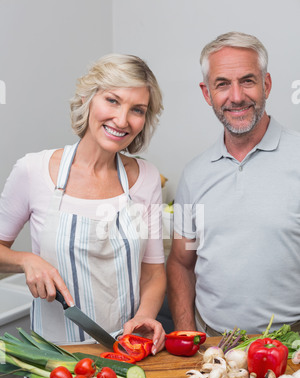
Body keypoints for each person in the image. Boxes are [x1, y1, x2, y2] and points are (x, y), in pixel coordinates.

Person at [0, 53, 166, 354]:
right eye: (112, 100)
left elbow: (153, 273)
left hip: (124, 353)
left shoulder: (147, 178)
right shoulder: (33, 170)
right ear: (87, 98)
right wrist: (26, 260)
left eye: (137, 110)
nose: (122, 119)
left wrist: (144, 317)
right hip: (53, 361)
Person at [167, 31, 300, 336]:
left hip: (293, 346)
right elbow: (181, 262)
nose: (237, 96)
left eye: (248, 81)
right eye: (223, 84)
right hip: (214, 346)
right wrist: (188, 333)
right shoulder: (194, 175)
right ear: (207, 93)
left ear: (266, 84)